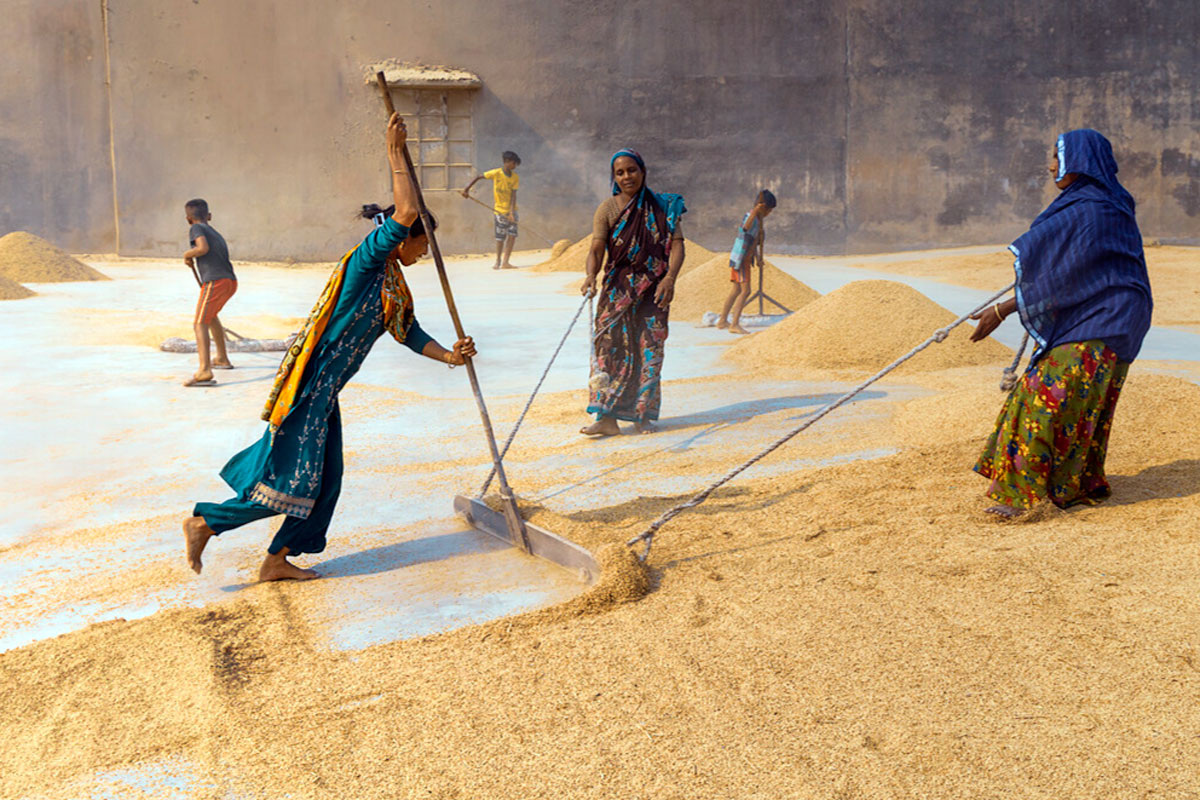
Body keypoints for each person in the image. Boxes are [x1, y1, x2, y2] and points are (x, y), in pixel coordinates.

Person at [182, 113, 477, 581]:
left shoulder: (394, 286)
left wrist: (451, 357)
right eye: (424, 243)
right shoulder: (366, 261)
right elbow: (403, 214)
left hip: (325, 392)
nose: (425, 251)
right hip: (308, 384)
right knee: (292, 480)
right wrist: (395, 153)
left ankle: (277, 560)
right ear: (404, 239)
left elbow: (409, 331)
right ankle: (206, 523)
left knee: (327, 479)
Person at [969, 128, 1153, 519]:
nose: (1051, 165)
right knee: (1081, 402)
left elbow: (1067, 275)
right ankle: (1076, 485)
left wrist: (1002, 310)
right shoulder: (1097, 202)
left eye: (1058, 156)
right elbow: (1064, 266)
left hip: (1107, 317)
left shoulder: (1096, 209)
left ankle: (1020, 496)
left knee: (1044, 396)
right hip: (1108, 313)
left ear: (1081, 160)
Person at [579, 148, 686, 436]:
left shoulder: (664, 206)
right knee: (608, 349)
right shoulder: (607, 209)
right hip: (617, 291)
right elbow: (597, 247)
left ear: (642, 171)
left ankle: (642, 417)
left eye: (632, 170)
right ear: (614, 177)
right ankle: (606, 418)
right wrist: (591, 274)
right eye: (620, 172)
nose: (627, 176)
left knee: (649, 347)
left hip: (654, 290)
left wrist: (670, 278)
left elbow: (677, 244)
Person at [182, 199, 237, 386]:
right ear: (209, 216)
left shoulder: (196, 229)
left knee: (199, 323)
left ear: (189, 219)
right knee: (211, 316)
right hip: (230, 281)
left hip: (215, 282)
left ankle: (204, 370)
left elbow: (202, 248)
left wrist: (187, 255)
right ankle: (222, 358)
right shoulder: (215, 232)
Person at [717, 189, 776, 334]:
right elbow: (745, 228)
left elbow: (753, 241)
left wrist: (757, 258)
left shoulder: (759, 222)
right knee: (745, 291)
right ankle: (734, 324)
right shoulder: (752, 216)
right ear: (763, 207)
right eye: (768, 210)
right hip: (741, 259)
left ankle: (722, 320)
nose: (769, 213)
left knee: (736, 290)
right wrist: (756, 211)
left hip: (744, 258)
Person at [461, 151, 521, 269]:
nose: (515, 166)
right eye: (514, 163)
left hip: (512, 212)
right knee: (500, 238)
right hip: (499, 211)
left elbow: (514, 195)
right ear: (507, 162)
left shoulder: (515, 177)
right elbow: (478, 177)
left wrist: (511, 213)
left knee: (512, 236)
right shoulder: (496, 173)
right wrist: (466, 189)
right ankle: (498, 260)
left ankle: (505, 262)